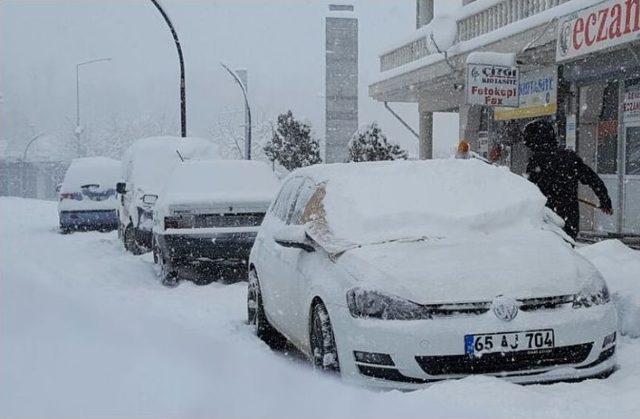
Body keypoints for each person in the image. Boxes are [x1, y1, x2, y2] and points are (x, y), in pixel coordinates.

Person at [523, 119, 613, 239]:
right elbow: (592, 179)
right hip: (569, 217)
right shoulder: (569, 158)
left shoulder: (535, 162)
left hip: (546, 219)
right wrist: (605, 200)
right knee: (567, 253)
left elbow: (528, 191)